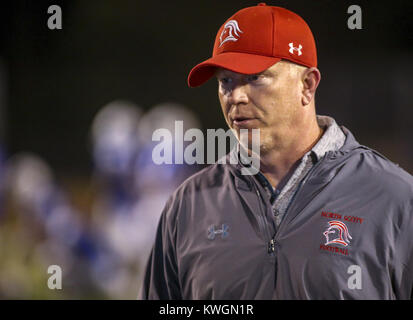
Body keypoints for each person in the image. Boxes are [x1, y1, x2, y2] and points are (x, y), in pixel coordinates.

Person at [139, 4, 413, 299]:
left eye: (255, 78)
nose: (237, 96)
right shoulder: (189, 205)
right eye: (225, 81)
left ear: (307, 85)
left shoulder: (392, 198)